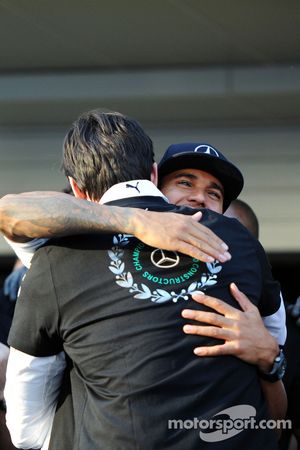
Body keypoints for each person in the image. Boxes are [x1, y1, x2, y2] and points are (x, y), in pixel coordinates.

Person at [3, 110, 285, 449]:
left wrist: (270, 357)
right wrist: (134, 221)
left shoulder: (54, 257)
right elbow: (10, 210)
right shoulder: (241, 243)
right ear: (154, 177)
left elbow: (26, 426)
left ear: (77, 189)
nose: (198, 199)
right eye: (184, 182)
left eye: (214, 192)